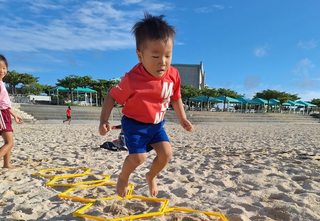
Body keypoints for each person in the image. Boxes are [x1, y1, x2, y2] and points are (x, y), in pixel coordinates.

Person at [99, 12, 194, 198]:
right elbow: (111, 96)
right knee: (138, 157)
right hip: (134, 124)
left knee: (166, 154)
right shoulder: (132, 79)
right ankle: (123, 177)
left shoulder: (173, 75)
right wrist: (103, 120)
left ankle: (151, 176)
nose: (163, 62)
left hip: (157, 125)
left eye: (168, 55)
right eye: (156, 56)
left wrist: (183, 118)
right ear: (140, 56)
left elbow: (175, 97)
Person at [0, 54, 23, 175]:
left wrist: (14, 115)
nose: (1, 71)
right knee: (10, 143)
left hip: (5, 113)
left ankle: (6, 164)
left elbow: (5, 104)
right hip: (1, 115)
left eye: (4, 68)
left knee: (7, 142)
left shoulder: (2, 83)